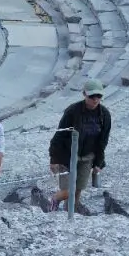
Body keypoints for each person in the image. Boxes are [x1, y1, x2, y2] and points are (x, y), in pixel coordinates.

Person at [48, 79, 111, 212]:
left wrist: (98, 163)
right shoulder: (72, 111)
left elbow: (103, 140)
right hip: (67, 157)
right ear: (84, 94)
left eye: (98, 96)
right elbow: (59, 135)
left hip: (87, 157)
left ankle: (69, 213)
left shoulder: (104, 114)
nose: (95, 100)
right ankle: (55, 198)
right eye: (92, 96)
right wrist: (54, 160)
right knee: (68, 190)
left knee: (78, 190)